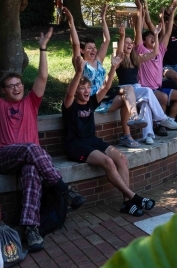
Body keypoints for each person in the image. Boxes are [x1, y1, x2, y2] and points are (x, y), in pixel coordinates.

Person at [0, 30, 85, 252]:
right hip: (4, 157)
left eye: (19, 84)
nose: (16, 88)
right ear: (3, 91)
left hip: (28, 158)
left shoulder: (31, 102)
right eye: (11, 86)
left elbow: (42, 76)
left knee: (32, 172)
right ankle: (64, 188)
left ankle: (31, 229)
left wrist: (43, 48)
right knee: (31, 148)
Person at [63, 54, 156, 217]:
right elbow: (70, 94)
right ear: (76, 90)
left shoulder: (91, 102)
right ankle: (134, 197)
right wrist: (79, 72)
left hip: (91, 140)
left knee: (121, 158)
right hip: (75, 145)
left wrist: (113, 67)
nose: (86, 91)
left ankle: (127, 203)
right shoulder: (70, 104)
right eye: (81, 88)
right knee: (108, 162)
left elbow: (105, 87)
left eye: (87, 88)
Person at [65, 6, 147, 147]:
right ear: (82, 50)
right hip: (91, 101)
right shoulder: (80, 63)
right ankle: (127, 134)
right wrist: (71, 22)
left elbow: (107, 40)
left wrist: (103, 19)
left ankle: (131, 124)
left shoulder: (98, 60)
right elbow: (76, 43)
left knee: (127, 92)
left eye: (94, 47)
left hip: (104, 95)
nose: (93, 50)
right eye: (89, 48)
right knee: (126, 93)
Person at [115, 19, 177, 144]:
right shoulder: (120, 58)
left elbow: (155, 52)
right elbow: (119, 51)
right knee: (147, 90)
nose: (129, 45)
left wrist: (156, 35)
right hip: (125, 89)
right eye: (126, 43)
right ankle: (162, 118)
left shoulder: (136, 59)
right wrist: (122, 36)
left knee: (146, 105)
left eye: (130, 43)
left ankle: (148, 135)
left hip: (136, 89)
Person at [134, 1, 177, 122]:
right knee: (163, 97)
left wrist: (173, 12)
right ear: (143, 41)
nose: (153, 37)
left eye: (154, 36)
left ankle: (170, 120)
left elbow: (168, 32)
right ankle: (159, 124)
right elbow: (138, 30)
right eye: (150, 37)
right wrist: (140, 10)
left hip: (158, 88)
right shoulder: (141, 50)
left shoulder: (160, 50)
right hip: (146, 89)